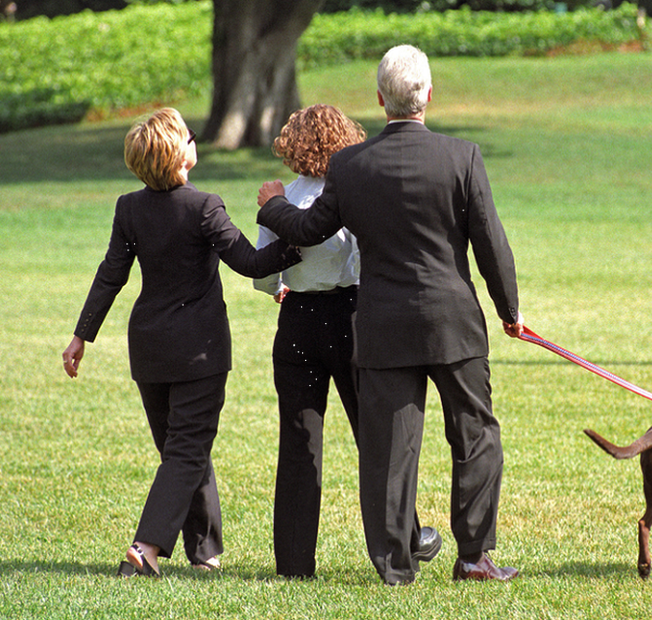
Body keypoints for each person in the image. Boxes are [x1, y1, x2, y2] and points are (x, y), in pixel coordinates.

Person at [256, 45, 524, 585]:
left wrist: (273, 206)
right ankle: (474, 557)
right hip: (454, 323)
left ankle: (395, 567)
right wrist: (509, 310)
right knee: (475, 437)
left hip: (381, 326)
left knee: (388, 451)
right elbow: (490, 244)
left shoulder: (350, 166)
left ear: (381, 100)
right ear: (428, 95)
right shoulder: (463, 156)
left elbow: (308, 233)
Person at [62, 108, 301, 577]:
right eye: (189, 136)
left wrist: (80, 336)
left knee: (183, 448)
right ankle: (145, 547)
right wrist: (300, 242)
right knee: (187, 449)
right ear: (181, 155)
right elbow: (250, 262)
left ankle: (205, 549)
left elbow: (111, 274)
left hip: (149, 349)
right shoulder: (204, 206)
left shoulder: (129, 207)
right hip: (200, 349)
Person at [253, 104, 441, 579]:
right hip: (352, 317)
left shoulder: (280, 198)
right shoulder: (357, 194)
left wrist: (281, 285)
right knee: (375, 436)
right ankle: (407, 536)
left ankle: (294, 562)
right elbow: (364, 259)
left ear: (291, 147)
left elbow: (264, 276)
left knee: (299, 443)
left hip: (297, 323)